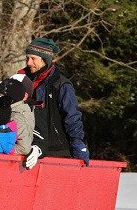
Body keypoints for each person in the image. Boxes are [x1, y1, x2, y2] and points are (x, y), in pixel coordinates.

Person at [20, 37, 89, 169]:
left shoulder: (61, 85)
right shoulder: (21, 81)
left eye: (33, 58)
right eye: (27, 58)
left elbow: (72, 117)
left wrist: (77, 142)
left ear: (45, 59)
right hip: (26, 150)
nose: (29, 63)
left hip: (56, 151)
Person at [0, 75, 35, 156]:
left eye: (4, 94)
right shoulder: (10, 111)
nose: (0, 97)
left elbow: (24, 148)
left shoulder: (16, 116)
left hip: (11, 164)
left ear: (24, 95)